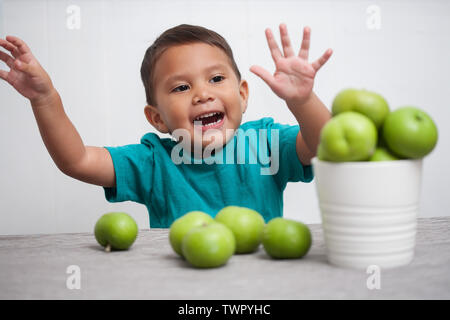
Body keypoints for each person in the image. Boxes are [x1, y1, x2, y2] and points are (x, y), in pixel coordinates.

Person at [0, 23, 332, 228]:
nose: (202, 94)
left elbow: (323, 144)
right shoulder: (154, 161)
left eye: (216, 79)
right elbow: (77, 161)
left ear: (242, 95)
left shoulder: (265, 143)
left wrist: (301, 100)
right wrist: (45, 99)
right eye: (181, 87)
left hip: (262, 287)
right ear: (157, 118)